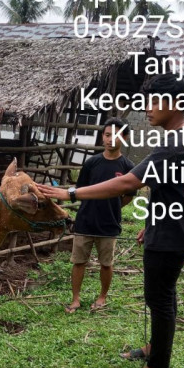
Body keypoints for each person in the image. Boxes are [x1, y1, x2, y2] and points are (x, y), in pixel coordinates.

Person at [38, 73, 184, 368]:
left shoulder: (175, 143)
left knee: (159, 297)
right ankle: (157, 347)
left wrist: (71, 193)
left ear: (175, 103)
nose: (147, 108)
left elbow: (129, 182)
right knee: (165, 293)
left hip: (173, 234)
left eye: (154, 101)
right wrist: (153, 221)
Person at [64, 117, 135, 314]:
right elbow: (81, 190)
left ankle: (102, 296)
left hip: (109, 223)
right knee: (79, 261)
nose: (111, 139)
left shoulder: (128, 166)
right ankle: (75, 299)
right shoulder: (91, 163)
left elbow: (129, 195)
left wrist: (113, 206)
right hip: (85, 221)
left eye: (116, 135)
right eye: (107, 135)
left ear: (125, 138)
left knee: (106, 263)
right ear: (102, 136)